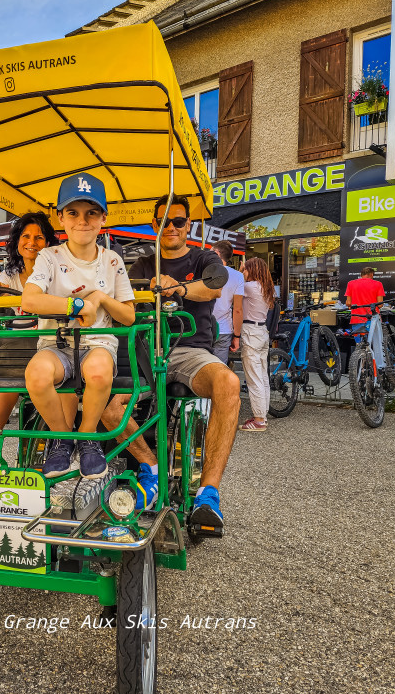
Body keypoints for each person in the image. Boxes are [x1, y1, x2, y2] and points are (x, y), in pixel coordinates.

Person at [101, 194, 240, 531]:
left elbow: (214, 288)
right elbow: (125, 302)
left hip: (190, 350)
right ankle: (151, 470)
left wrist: (178, 288)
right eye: (165, 222)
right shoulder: (143, 265)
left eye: (178, 221)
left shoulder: (204, 257)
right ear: (155, 225)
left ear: (188, 225)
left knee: (228, 383)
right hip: (147, 351)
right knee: (107, 404)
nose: (172, 228)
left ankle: (208, 493)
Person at [22, 174, 135, 480]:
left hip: (98, 343)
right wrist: (78, 305)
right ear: (61, 218)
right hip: (56, 343)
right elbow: (29, 300)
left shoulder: (112, 260)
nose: (82, 221)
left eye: (91, 213)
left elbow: (129, 316)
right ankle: (63, 437)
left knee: (98, 371)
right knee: (36, 374)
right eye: (73, 213)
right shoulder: (49, 256)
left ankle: (87, 435)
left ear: (103, 219)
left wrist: (101, 298)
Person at [0, 212, 58, 468]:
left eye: (39, 237)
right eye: (26, 236)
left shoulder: (59, 274)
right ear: (17, 242)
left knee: (63, 414)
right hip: (18, 355)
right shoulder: (8, 276)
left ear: (48, 243)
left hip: (54, 352)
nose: (32, 242)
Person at [239, 257, 275, 432]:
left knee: (253, 378)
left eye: (246, 269)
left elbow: (232, 286)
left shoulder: (250, 287)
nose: (244, 272)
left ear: (252, 270)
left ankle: (259, 420)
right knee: (262, 376)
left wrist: (239, 272)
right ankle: (262, 415)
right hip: (262, 331)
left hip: (250, 332)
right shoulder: (267, 287)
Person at [211, 240, 244, 363]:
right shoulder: (238, 276)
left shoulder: (204, 272)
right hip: (224, 329)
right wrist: (237, 336)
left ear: (216, 253)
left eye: (210, 252)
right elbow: (237, 310)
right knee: (220, 368)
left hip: (203, 327)